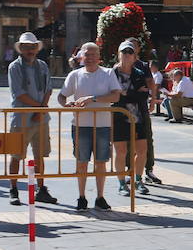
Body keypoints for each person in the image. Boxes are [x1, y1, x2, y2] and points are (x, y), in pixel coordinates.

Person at [59, 42, 122, 210]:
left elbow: (116, 96)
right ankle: (81, 196)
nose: (90, 58)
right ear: (81, 57)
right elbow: (61, 96)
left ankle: (100, 197)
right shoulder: (74, 75)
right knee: (81, 162)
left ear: (99, 57)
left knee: (101, 161)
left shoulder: (108, 73)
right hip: (81, 124)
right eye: (87, 54)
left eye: (93, 54)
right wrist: (67, 104)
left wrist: (92, 98)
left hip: (102, 124)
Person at [7, 33, 57, 206]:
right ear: (21, 49)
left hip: (41, 118)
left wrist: (40, 109)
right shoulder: (15, 67)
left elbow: (49, 89)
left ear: (37, 48)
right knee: (16, 155)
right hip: (21, 118)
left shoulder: (42, 66)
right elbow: (19, 93)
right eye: (26, 47)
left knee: (40, 155)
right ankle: (13, 189)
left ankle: (41, 188)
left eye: (32, 47)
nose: (30, 50)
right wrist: (40, 108)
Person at [112, 40, 154, 197]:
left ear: (135, 56)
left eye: (130, 52)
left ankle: (138, 180)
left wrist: (126, 94)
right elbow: (115, 96)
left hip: (138, 116)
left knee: (142, 150)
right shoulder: (112, 73)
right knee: (121, 151)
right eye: (124, 52)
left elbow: (144, 95)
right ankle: (122, 183)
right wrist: (132, 94)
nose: (127, 55)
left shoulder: (139, 73)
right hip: (119, 117)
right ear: (119, 54)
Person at [122, 37, 163, 186]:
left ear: (138, 49)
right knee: (127, 140)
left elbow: (150, 84)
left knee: (147, 138)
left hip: (141, 107)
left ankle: (148, 169)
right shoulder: (118, 67)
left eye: (133, 47)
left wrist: (152, 100)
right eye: (126, 48)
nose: (129, 50)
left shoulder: (143, 66)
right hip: (126, 108)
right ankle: (129, 170)